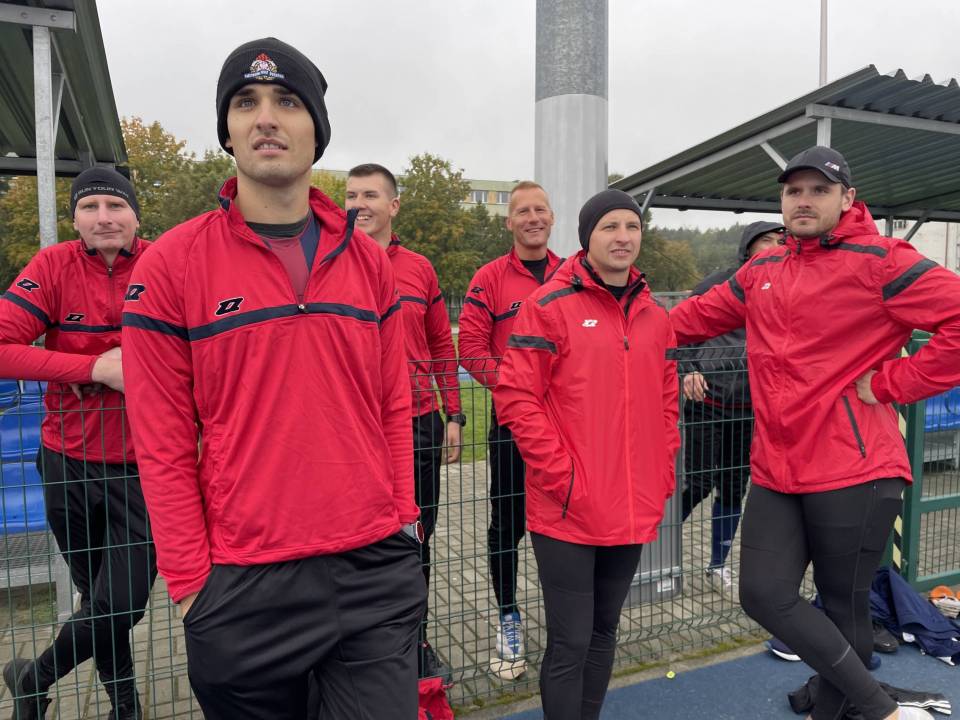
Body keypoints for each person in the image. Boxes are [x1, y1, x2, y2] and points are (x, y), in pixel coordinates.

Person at [121, 38, 425, 720]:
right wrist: (191, 585)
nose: (266, 117)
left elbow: (391, 405)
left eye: (287, 101)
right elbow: (162, 442)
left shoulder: (369, 264)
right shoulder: (171, 265)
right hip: (243, 585)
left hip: (373, 570)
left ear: (316, 129)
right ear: (226, 131)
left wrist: (404, 522)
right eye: (245, 102)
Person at [670, 146, 960, 720]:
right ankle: (879, 709)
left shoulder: (881, 261)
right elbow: (685, 320)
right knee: (762, 594)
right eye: (793, 191)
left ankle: (845, 712)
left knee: (844, 607)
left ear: (847, 199)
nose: (803, 200)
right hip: (778, 467)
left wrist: (893, 383)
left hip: (855, 467)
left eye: (818, 190)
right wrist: (611, 322)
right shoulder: (763, 270)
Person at [493, 189, 680, 719]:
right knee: (570, 640)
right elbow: (516, 397)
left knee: (603, 631)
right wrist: (563, 476)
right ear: (586, 238)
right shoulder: (549, 306)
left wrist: (662, 469)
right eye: (609, 227)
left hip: (632, 503)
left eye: (632, 226)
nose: (623, 237)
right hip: (567, 508)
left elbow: (667, 402)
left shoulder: (656, 317)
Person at [1, 167, 156, 720]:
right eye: (90, 208)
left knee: (122, 603)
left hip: (142, 465)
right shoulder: (53, 266)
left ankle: (33, 677)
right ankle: (125, 708)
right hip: (66, 461)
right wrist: (94, 367)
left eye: (115, 206)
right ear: (75, 220)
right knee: (99, 604)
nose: (104, 218)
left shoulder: (164, 263)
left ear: (135, 214)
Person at [345, 162, 463, 682]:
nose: (359, 205)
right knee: (354, 542)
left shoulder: (419, 268)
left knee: (415, 540)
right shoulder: (328, 261)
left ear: (393, 205)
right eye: (351, 196)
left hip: (417, 424)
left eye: (370, 195)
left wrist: (454, 413)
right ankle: (359, 645)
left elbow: (440, 344)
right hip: (352, 428)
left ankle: (415, 642)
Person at [458, 181, 563, 663]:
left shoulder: (573, 273)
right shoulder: (490, 278)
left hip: (568, 428)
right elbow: (471, 349)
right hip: (513, 428)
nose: (532, 218)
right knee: (508, 527)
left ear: (552, 217)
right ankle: (508, 617)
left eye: (540, 209)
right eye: (523, 211)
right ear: (509, 222)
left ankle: (566, 620)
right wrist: (520, 388)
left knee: (565, 525)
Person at [679, 221, 783, 595]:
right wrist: (688, 370)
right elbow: (680, 331)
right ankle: (654, 551)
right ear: (747, 248)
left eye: (780, 241)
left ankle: (718, 565)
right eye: (766, 241)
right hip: (706, 401)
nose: (774, 247)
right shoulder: (717, 284)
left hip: (749, 407)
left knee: (734, 488)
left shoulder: (785, 289)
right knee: (697, 484)